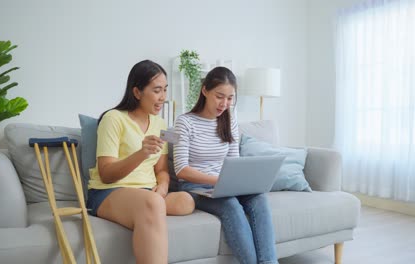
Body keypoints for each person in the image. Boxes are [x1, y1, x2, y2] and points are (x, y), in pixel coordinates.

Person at [87, 60, 195, 264]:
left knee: (186, 201)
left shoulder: (160, 124)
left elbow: (162, 170)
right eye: (156, 90)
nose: (162, 97)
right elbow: (106, 174)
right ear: (137, 92)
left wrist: (163, 187)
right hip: (108, 191)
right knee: (153, 203)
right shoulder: (113, 118)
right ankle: (149, 209)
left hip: (146, 193)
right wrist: (141, 154)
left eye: (165, 90)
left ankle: (148, 210)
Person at [173, 67, 277, 264]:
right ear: (205, 91)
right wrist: (218, 181)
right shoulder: (185, 122)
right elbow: (181, 170)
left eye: (230, 98)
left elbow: (234, 162)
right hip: (195, 188)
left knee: (260, 199)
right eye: (219, 96)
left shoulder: (229, 121)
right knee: (230, 205)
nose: (224, 104)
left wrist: (237, 182)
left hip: (225, 185)